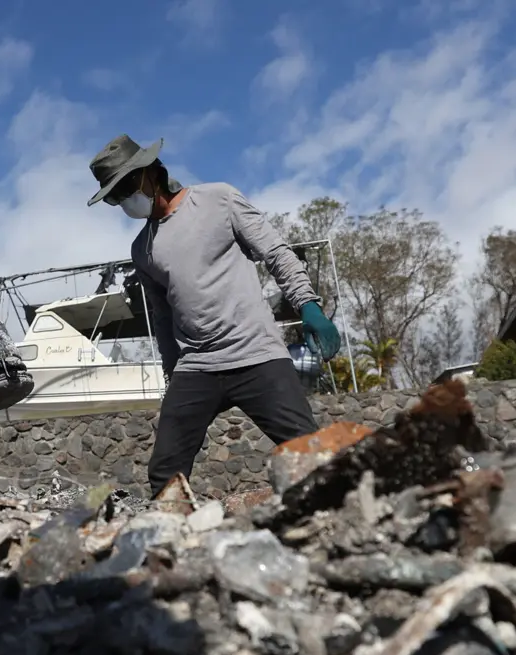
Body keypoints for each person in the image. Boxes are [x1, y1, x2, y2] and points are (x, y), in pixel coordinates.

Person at [86, 134, 342, 497]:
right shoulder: (142, 249)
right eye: (114, 197)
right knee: (165, 472)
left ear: (148, 173)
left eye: (125, 188)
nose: (124, 200)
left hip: (257, 354)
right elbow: (162, 314)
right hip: (198, 367)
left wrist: (309, 306)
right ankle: (176, 541)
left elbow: (276, 253)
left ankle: (340, 521)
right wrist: (172, 371)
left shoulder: (218, 199)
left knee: (311, 456)